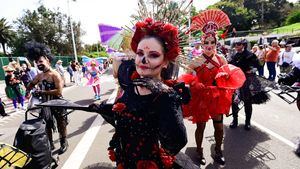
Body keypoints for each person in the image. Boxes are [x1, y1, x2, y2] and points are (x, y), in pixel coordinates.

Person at [88, 18, 188, 169]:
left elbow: (175, 143)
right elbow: (125, 115)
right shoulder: (131, 85)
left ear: (166, 61)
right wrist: (103, 108)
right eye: (140, 53)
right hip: (125, 159)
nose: (143, 59)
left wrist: (163, 92)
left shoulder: (168, 96)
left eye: (153, 55)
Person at [179, 9, 242, 165]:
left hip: (217, 98)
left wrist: (224, 78)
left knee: (219, 128)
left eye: (212, 42)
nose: (209, 45)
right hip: (201, 98)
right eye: (206, 42)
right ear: (201, 43)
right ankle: (199, 151)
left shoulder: (221, 59)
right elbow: (188, 78)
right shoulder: (195, 61)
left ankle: (218, 151)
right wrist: (195, 82)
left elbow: (230, 77)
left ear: (216, 43)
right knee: (200, 127)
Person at [25, 41, 68, 154]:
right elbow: (31, 84)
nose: (38, 64)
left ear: (47, 60)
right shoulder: (39, 75)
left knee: (61, 123)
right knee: (46, 125)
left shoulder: (55, 74)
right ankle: (50, 143)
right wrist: (28, 90)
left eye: (40, 61)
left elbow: (59, 91)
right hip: (45, 105)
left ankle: (64, 142)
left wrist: (42, 91)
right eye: (36, 62)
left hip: (57, 103)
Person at [229, 38, 269, 130]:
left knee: (247, 102)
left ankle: (247, 122)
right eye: (235, 45)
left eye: (238, 44)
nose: (236, 46)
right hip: (235, 81)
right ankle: (235, 120)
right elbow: (230, 65)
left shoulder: (250, 55)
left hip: (248, 81)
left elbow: (259, 66)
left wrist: (252, 69)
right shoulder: (234, 55)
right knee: (234, 102)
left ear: (243, 45)